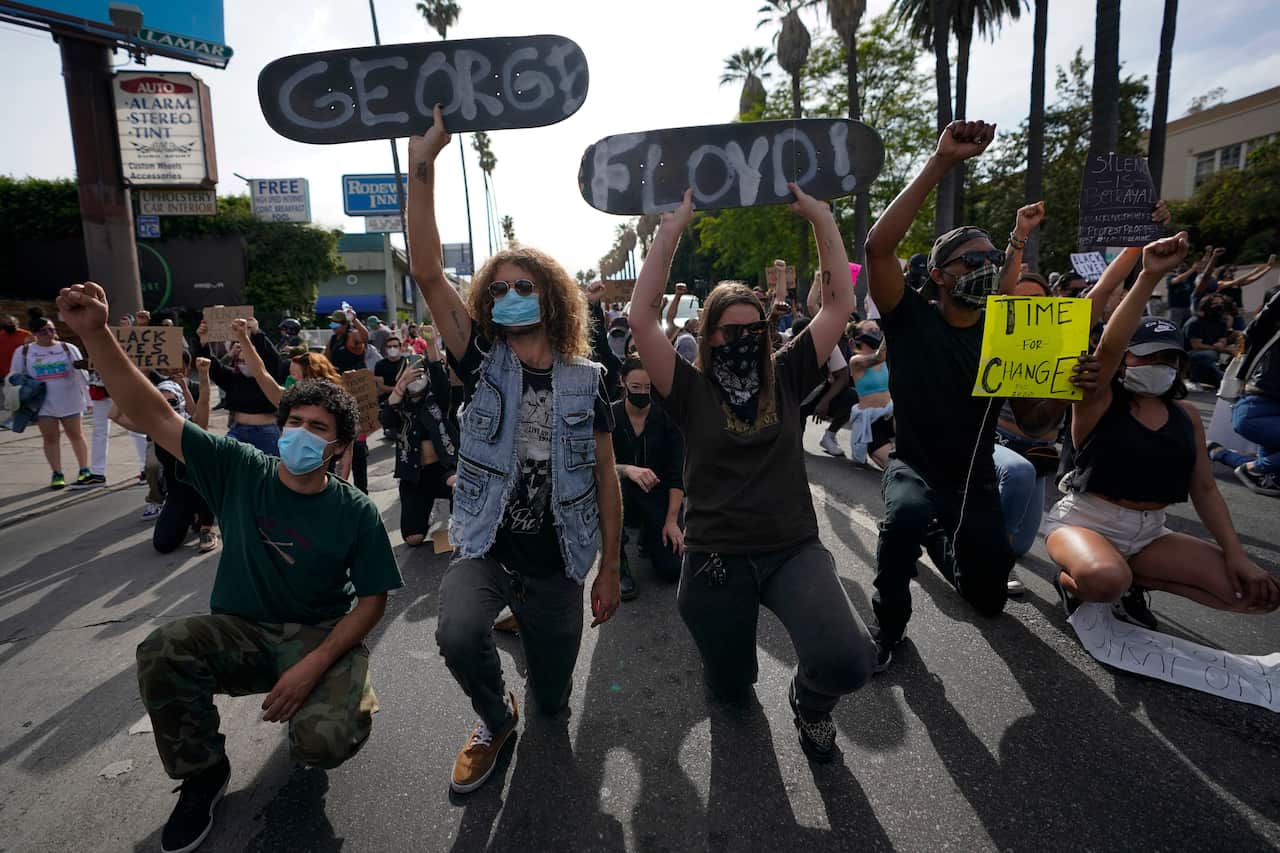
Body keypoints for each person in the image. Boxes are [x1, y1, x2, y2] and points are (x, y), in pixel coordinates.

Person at [55, 281, 402, 853]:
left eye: (319, 428)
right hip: (242, 632)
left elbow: (372, 601)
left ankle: (323, 706)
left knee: (323, 743)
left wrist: (313, 667)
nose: (302, 434)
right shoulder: (240, 469)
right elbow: (150, 414)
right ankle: (203, 774)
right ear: (280, 425)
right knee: (164, 648)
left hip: (318, 636)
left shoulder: (355, 511)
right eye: (295, 421)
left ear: (339, 447)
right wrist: (95, 333)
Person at [408, 105, 621, 795]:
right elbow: (427, 272)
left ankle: (534, 667)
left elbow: (607, 477)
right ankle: (494, 715)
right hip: (485, 545)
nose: (506, 296)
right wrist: (424, 165)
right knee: (457, 628)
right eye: (496, 288)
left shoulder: (589, 380)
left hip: (560, 563)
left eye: (521, 287)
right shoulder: (479, 360)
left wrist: (609, 568)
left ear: (550, 297)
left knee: (556, 706)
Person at [631, 185, 874, 764]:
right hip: (716, 561)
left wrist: (820, 216)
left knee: (848, 659)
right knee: (732, 690)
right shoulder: (687, 389)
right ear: (709, 338)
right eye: (730, 332)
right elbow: (642, 318)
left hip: (792, 549)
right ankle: (732, 681)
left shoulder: (787, 373)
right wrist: (671, 230)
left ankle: (809, 706)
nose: (745, 341)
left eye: (755, 331)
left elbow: (839, 304)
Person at [862, 121, 1099, 673]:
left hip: (975, 480)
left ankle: (943, 543)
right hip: (914, 467)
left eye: (993, 258)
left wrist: (1069, 390)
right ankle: (888, 625)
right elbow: (878, 247)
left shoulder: (1005, 333)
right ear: (940, 275)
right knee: (903, 522)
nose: (986, 267)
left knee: (989, 602)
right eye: (972, 259)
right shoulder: (909, 320)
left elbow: (1037, 424)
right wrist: (940, 162)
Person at [1044, 235, 1280, 628]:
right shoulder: (1096, 400)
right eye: (1147, 354)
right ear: (1124, 361)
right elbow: (1109, 345)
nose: (1159, 362)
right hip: (1086, 522)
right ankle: (1075, 581)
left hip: (1150, 534)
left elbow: (1205, 490)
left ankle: (1130, 580)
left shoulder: (1186, 416)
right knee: (1105, 580)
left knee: (1257, 594)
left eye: (1168, 356)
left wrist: (1237, 554)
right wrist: (1149, 277)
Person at [112, 359, 221, 554]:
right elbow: (116, 416)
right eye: (160, 402)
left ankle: (207, 526)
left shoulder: (194, 426)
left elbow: (203, 401)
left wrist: (204, 375)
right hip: (177, 495)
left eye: (170, 402)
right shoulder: (155, 428)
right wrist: (121, 384)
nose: (166, 407)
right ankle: (189, 517)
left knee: (201, 493)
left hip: (202, 492)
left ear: (179, 401)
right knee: (163, 544)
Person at [611, 355, 686, 599]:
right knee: (606, 488)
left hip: (658, 497)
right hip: (621, 496)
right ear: (623, 382)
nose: (643, 392)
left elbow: (677, 475)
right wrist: (627, 470)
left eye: (648, 387)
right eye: (636, 387)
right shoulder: (609, 416)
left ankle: (650, 535)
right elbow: (596, 465)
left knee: (671, 570)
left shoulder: (667, 418)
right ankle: (617, 562)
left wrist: (672, 521)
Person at [380, 329, 458, 546]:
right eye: (411, 374)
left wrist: (431, 343)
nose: (417, 378)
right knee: (413, 539)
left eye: (420, 374)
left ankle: (460, 519)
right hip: (413, 476)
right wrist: (400, 386)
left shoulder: (436, 401)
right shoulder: (399, 405)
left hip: (443, 470)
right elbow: (386, 419)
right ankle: (424, 513)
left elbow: (439, 374)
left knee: (458, 484)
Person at [1209, 288, 1280, 496]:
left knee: (1270, 472)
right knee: (1262, 468)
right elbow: (1261, 322)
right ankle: (1252, 469)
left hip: (1267, 416)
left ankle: (1221, 453)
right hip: (1256, 412)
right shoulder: (1269, 333)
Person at [8, 317, 90, 489]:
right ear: (35, 333)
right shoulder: (24, 352)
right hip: (42, 402)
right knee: (50, 438)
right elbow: (14, 376)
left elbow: (82, 374)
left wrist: (88, 398)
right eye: (43, 331)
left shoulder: (67, 348)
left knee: (76, 435)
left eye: (51, 329)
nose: (49, 334)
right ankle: (57, 473)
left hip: (70, 399)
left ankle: (84, 469)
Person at [196, 316, 286, 454]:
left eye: (248, 358)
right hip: (238, 431)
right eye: (240, 360)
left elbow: (274, 360)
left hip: (267, 433)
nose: (243, 360)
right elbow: (212, 366)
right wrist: (203, 342)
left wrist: (256, 332)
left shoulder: (269, 379)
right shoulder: (232, 377)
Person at [847, 325, 894, 469]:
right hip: (871, 425)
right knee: (894, 467)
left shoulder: (887, 360)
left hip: (891, 416)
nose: (876, 332)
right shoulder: (856, 361)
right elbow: (879, 356)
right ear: (859, 337)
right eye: (871, 330)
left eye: (877, 329)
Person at [1186, 292, 1234, 388]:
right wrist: (1220, 348)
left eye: (1221, 304)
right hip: (1191, 354)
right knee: (1210, 354)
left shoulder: (1220, 322)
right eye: (1215, 304)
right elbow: (1196, 345)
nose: (1219, 307)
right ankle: (1193, 378)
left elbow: (1222, 340)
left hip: (1212, 352)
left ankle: (1225, 377)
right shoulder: (1195, 322)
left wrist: (1222, 344)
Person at [325, 308, 370, 373]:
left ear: (345, 324)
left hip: (356, 379)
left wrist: (354, 320)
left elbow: (365, 337)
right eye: (332, 324)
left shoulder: (352, 335)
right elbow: (326, 358)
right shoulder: (333, 339)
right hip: (339, 378)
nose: (333, 327)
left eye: (335, 325)